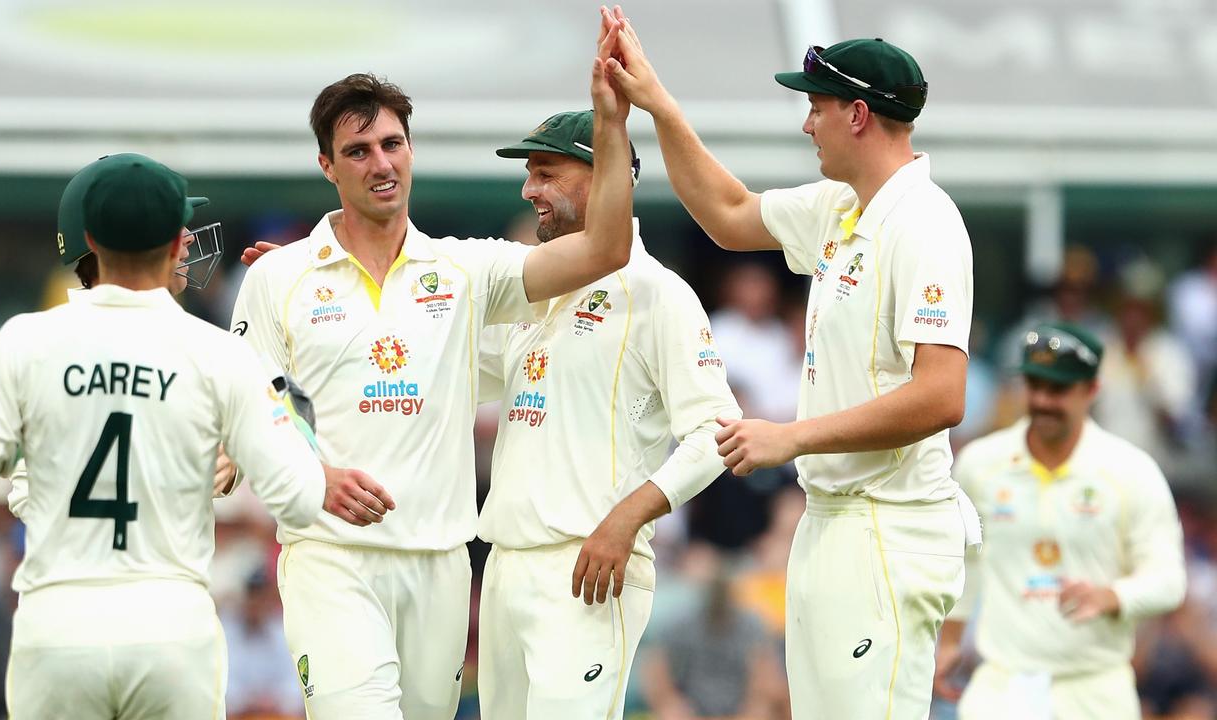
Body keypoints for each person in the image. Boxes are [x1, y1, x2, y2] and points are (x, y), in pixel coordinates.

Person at [228, 18, 634, 718]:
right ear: (327, 166)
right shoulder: (281, 276)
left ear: (411, 149)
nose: (381, 164)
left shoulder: (466, 267)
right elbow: (249, 398)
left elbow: (604, 250)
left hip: (442, 562)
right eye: (357, 151)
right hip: (331, 557)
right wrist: (312, 474)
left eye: (392, 143)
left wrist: (611, 121)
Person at [600, 7, 978, 717]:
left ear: (857, 115)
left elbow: (942, 396)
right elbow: (727, 210)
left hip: (890, 528)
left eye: (816, 107)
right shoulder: (842, 207)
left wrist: (790, 435)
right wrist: (656, 102)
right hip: (830, 520)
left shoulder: (924, 223)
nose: (807, 124)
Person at [0, 153, 392, 719]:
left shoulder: (26, 340)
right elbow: (299, 502)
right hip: (173, 633)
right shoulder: (219, 352)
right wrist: (266, 433)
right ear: (176, 243)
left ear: (90, 238)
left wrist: (38, 446)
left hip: (57, 631)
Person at [472, 108, 740, 719]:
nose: (528, 190)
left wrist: (627, 519)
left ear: (604, 174)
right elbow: (434, 366)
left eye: (544, 172)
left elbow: (715, 433)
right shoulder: (531, 291)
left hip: (590, 569)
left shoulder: (658, 292)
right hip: (507, 567)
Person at [935, 322, 1186, 720]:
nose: (1042, 401)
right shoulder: (982, 464)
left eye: (1058, 390)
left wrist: (1113, 596)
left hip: (1095, 687)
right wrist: (949, 641)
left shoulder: (1132, 471)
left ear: (1092, 391)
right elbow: (963, 563)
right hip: (1002, 683)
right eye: (1034, 385)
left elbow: (1170, 581)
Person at [9, 152, 235, 518]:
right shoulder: (47, 348)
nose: (189, 239)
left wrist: (231, 463)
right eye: (172, 225)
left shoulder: (199, 341)